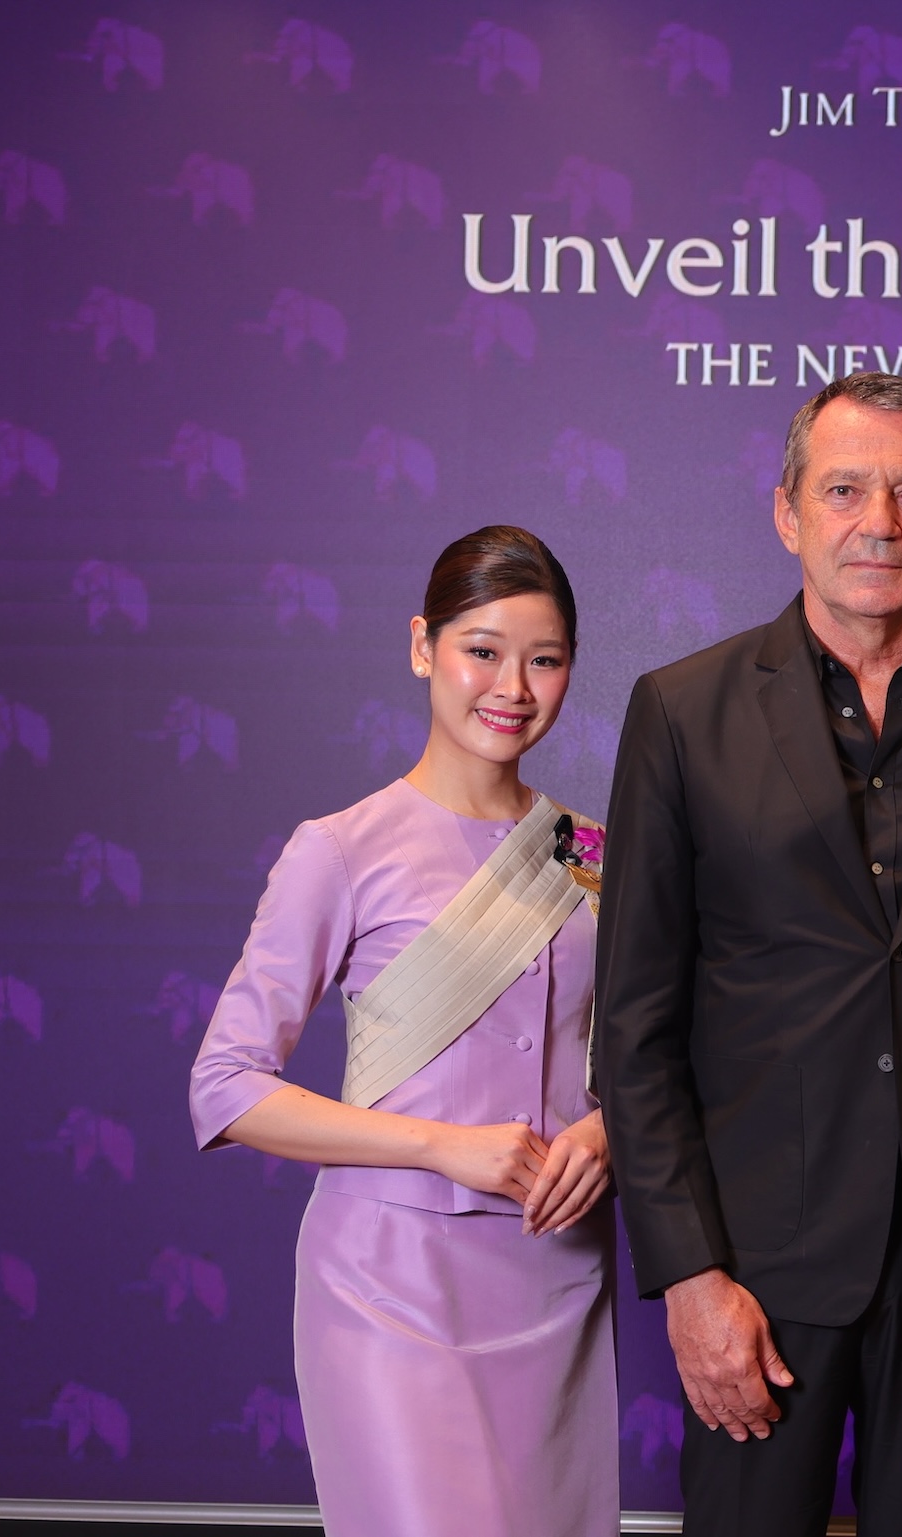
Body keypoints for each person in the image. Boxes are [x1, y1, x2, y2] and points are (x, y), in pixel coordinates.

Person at [595, 372, 902, 1537]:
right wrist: (690, 1277)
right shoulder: (681, 710)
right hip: (754, 1268)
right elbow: (633, 1029)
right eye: (843, 489)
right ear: (786, 513)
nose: (880, 521)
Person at [187, 526, 616, 1536]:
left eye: (544, 659)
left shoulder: (588, 849)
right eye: (482, 650)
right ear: (423, 646)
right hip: (389, 1281)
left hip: (555, 1271)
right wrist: (440, 1145)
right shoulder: (338, 848)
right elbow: (225, 1085)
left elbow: (645, 1056)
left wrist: (610, 1130)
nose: (512, 687)